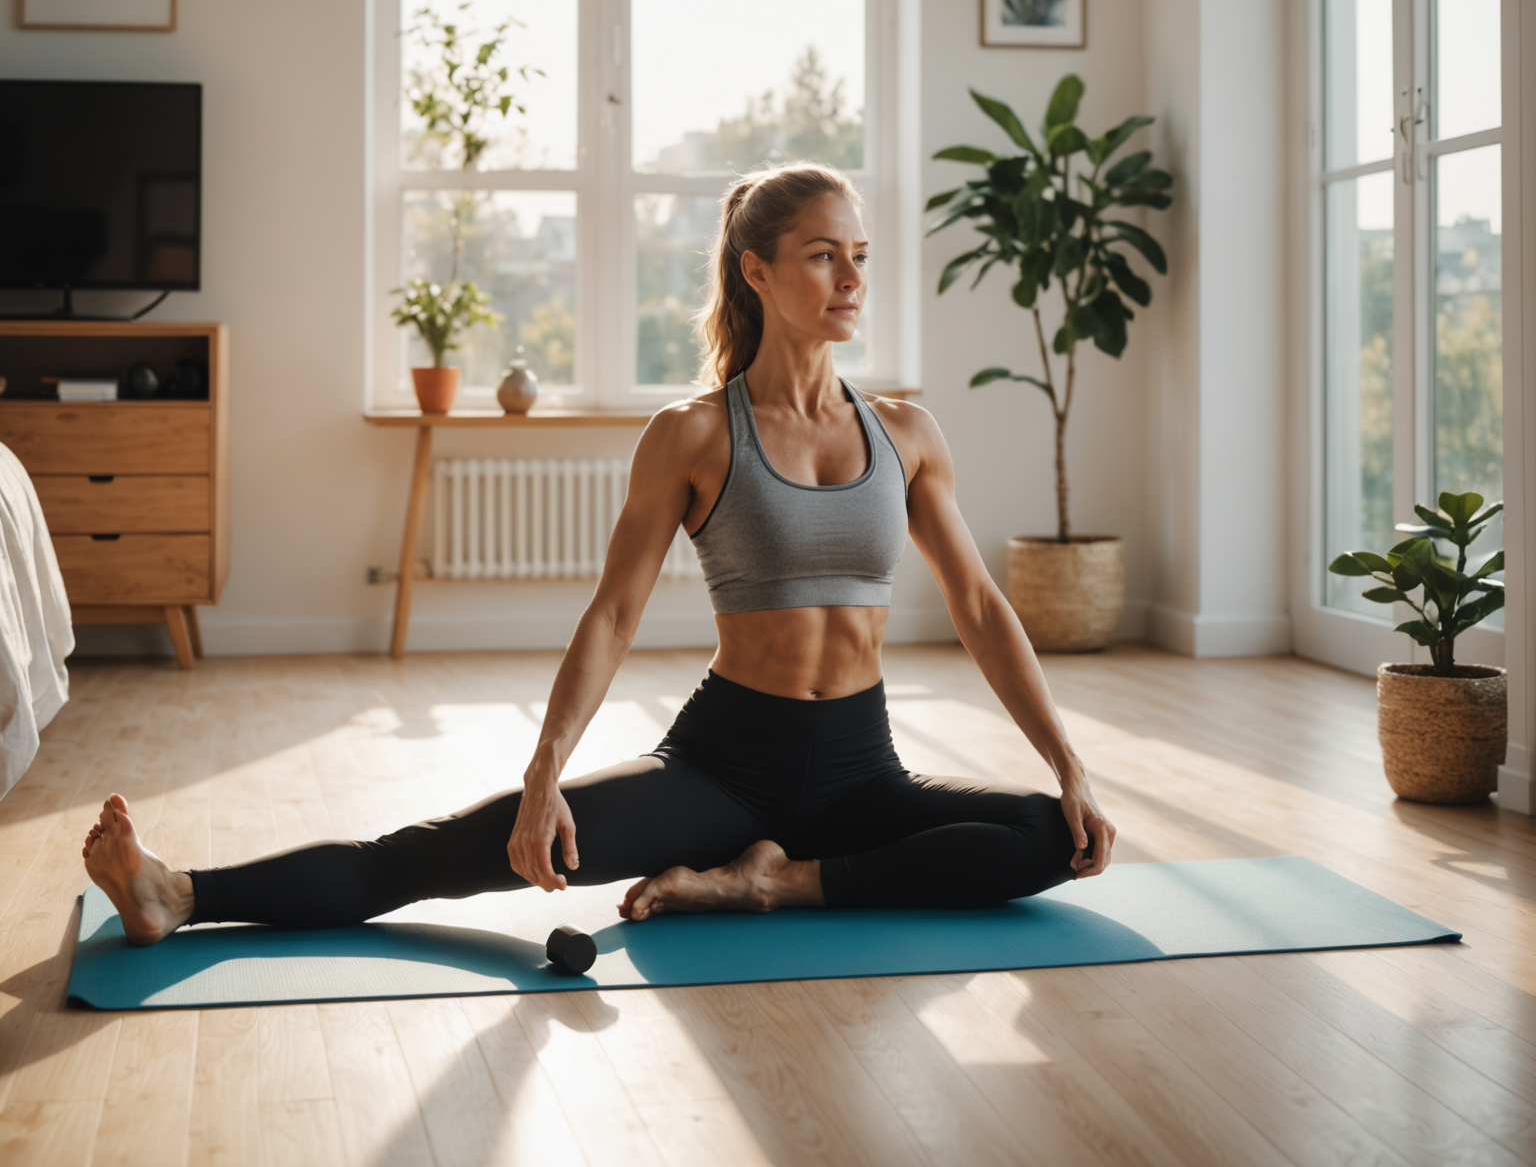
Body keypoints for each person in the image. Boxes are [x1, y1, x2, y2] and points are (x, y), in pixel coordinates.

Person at [82, 161, 1115, 946]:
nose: (850, 278)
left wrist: (1067, 767)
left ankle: (771, 883)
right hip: (724, 768)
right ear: (757, 271)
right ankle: (181, 894)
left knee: (1047, 836)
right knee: (451, 851)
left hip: (860, 769)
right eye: (821, 255)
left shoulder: (907, 431)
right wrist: (545, 777)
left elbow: (979, 606)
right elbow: (614, 616)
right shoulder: (695, 434)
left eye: (860, 256)